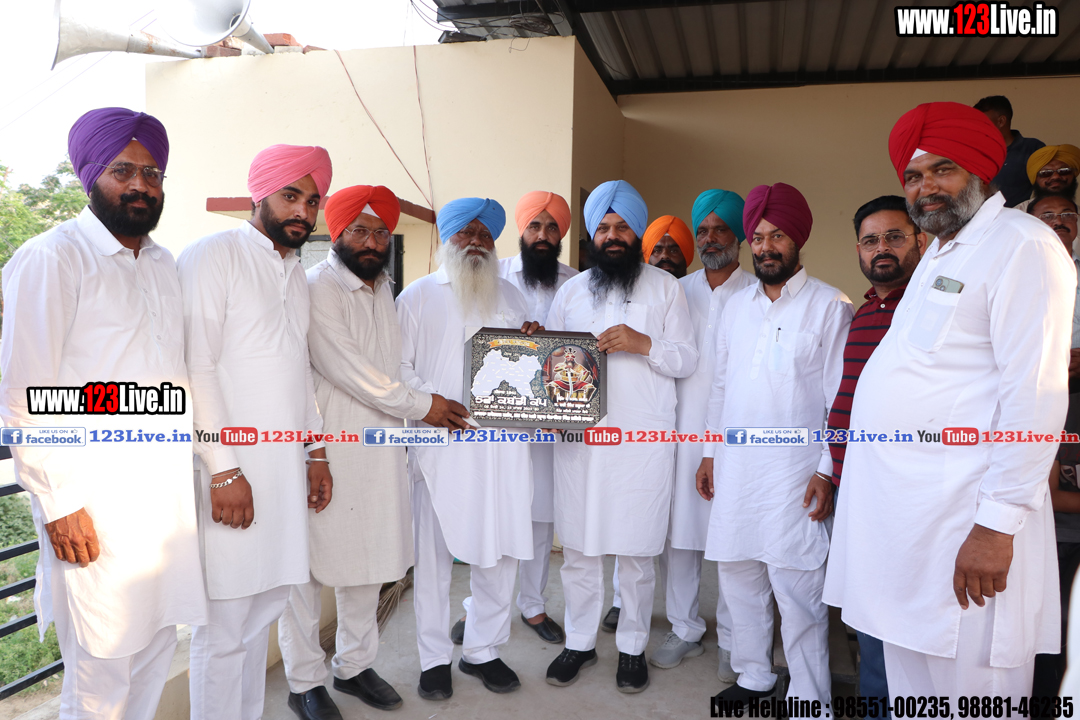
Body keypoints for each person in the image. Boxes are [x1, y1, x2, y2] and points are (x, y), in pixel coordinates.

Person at [824, 101, 1074, 702]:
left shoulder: (1023, 244)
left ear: (980, 170)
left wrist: (996, 527)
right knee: (912, 691)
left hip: (965, 526)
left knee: (972, 694)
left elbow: (1034, 393)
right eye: (913, 176)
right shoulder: (938, 253)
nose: (926, 187)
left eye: (943, 169)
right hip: (907, 529)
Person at [0, 107, 207, 719]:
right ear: (91, 176)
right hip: (93, 508)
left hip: (164, 507)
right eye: (123, 170)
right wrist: (59, 503)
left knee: (153, 653)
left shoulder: (163, 264)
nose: (141, 185)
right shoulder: (53, 258)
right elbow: (23, 393)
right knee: (100, 677)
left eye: (152, 173)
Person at [277, 185, 469, 719]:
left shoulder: (384, 287)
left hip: (382, 449)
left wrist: (429, 401)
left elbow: (395, 365)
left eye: (381, 232)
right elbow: (351, 372)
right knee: (307, 572)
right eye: (359, 230)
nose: (372, 241)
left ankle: (354, 666)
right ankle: (303, 681)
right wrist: (424, 406)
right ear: (337, 233)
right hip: (325, 449)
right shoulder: (318, 287)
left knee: (367, 562)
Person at [180, 144, 336, 720]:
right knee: (225, 627)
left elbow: (298, 371)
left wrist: (315, 451)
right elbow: (194, 367)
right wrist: (223, 469)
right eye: (291, 196)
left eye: (312, 201)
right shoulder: (213, 254)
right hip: (230, 474)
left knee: (261, 614)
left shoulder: (294, 272)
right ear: (259, 195)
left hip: (281, 471)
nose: (303, 211)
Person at [696, 182, 852, 703]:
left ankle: (811, 699)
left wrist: (827, 470)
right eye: (759, 237)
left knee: (799, 591)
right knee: (738, 576)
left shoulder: (830, 305)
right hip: (737, 469)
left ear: (798, 239)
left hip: (796, 474)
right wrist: (710, 453)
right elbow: (721, 388)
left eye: (777, 236)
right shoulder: (736, 307)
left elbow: (838, 399)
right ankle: (753, 676)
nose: (766, 247)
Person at [544, 180, 697, 693]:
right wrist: (553, 409)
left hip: (641, 443)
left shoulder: (666, 288)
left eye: (623, 227)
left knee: (636, 553)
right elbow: (552, 362)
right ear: (592, 235)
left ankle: (632, 647)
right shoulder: (571, 292)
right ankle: (580, 642)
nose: (613, 236)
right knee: (581, 549)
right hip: (581, 443)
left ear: (637, 233)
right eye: (604, 228)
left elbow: (687, 359)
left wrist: (644, 343)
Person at [397, 197, 540, 700]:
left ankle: (483, 650)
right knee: (434, 559)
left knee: (501, 552)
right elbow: (397, 366)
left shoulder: (513, 296)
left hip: (503, 450)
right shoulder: (417, 296)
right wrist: (428, 404)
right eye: (466, 231)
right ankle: (434, 659)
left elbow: (528, 368)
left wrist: (535, 342)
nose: (476, 241)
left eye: (485, 234)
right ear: (447, 237)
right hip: (440, 446)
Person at [452, 191, 577, 647]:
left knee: (540, 514)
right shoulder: (493, 273)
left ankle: (532, 604)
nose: (542, 235)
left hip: (554, 420)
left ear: (561, 234)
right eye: (534, 226)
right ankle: (479, 609)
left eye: (551, 227)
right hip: (499, 422)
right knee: (497, 513)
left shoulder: (576, 282)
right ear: (522, 232)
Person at [825, 195, 927, 709]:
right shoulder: (863, 311)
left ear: (921, 240)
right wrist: (830, 472)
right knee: (867, 618)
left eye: (894, 237)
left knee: (905, 629)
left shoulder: (930, 307)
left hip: (907, 494)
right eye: (870, 240)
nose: (881, 248)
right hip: (854, 489)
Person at [649, 190, 755, 679]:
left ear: (739, 237)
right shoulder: (676, 290)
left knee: (733, 538)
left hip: (734, 435)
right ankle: (685, 627)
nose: (711, 238)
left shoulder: (757, 293)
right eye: (704, 230)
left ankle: (735, 638)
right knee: (679, 536)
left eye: (721, 229)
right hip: (677, 429)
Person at [1029, 193, 1080, 696]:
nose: (1060, 222)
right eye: (1048, 216)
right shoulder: (1018, 273)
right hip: (1050, 398)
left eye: (1068, 214)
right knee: (1055, 627)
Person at [974, 95, 1045, 207]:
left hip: (1017, 215)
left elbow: (1047, 187)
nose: (978, 128)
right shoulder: (974, 151)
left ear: (1001, 121)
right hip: (977, 215)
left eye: (984, 123)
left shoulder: (1032, 148)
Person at [1018, 145, 1080, 212]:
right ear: (1035, 178)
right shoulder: (1018, 213)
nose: (1056, 177)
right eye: (1046, 173)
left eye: (1064, 171)